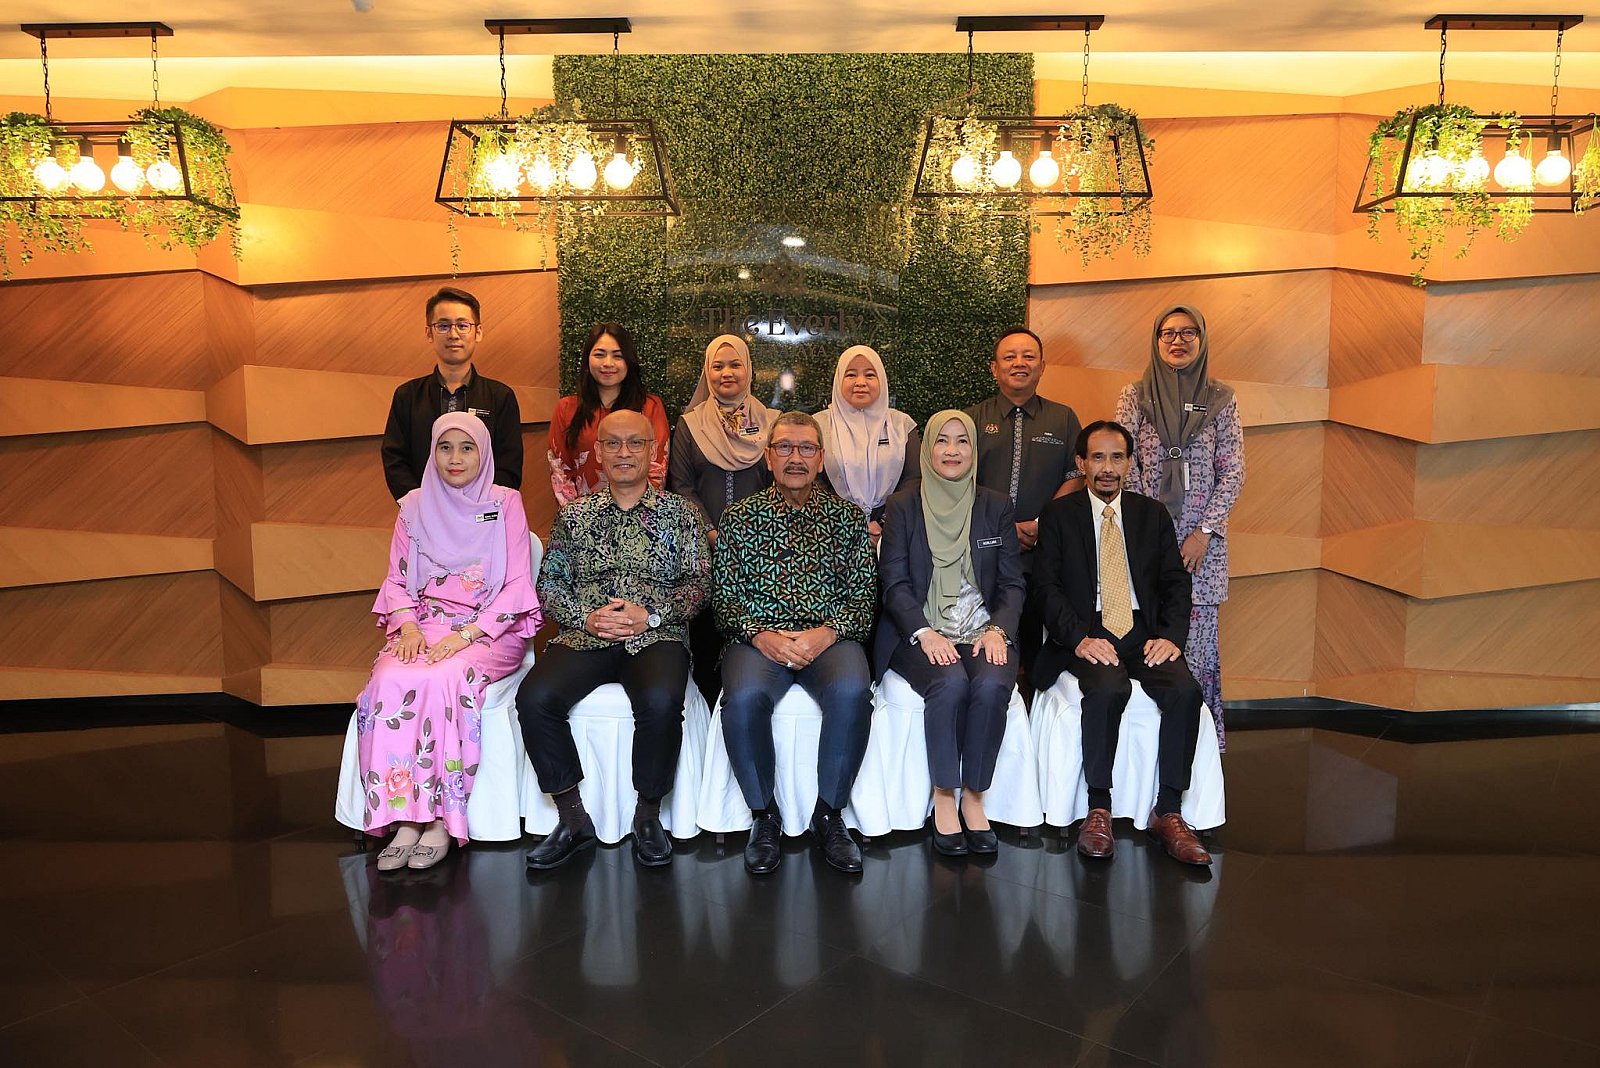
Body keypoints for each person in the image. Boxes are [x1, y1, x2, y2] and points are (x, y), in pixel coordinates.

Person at [518, 411, 710, 871]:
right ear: (599, 453)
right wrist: (586, 618)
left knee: (661, 700)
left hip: (657, 634)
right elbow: (549, 585)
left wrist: (652, 615)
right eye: (613, 444)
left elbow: (701, 585)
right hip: (588, 635)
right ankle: (572, 818)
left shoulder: (682, 514)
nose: (624, 453)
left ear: (653, 451)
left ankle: (648, 815)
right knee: (534, 698)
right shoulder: (575, 516)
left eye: (635, 443)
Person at [356, 412, 542, 871]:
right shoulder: (413, 506)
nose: (455, 458)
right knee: (388, 678)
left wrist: (465, 635)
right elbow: (397, 577)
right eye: (445, 447)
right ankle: (404, 819)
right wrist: (409, 628)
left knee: (444, 678)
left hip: (488, 629)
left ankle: (441, 819)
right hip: (424, 624)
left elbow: (517, 584)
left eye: (466, 447)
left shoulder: (506, 502)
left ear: (484, 453)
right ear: (432, 453)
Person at [1032, 421, 1211, 867]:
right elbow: (1045, 588)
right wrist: (1079, 639)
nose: (1108, 467)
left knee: (1185, 690)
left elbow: (1175, 582)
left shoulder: (1152, 514)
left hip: (1142, 630)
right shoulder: (1059, 515)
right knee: (1109, 688)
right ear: (1081, 463)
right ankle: (1099, 809)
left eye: (1117, 457)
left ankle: (1168, 811)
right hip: (1087, 628)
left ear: (1130, 463)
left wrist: (1170, 637)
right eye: (1098, 457)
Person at [713, 411, 876, 876]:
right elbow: (723, 598)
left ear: (821, 459)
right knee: (743, 698)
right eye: (784, 447)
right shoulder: (740, 518)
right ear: (768, 457)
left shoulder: (847, 518)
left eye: (806, 448)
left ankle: (829, 815)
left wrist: (827, 633)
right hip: (758, 640)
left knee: (851, 691)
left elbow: (864, 596)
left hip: (829, 638)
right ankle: (764, 816)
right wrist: (760, 636)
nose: (796, 457)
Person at [876, 410, 1024, 858]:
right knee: (950, 682)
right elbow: (894, 582)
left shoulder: (995, 506)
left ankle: (974, 796)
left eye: (962, 441)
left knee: (993, 685)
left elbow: (1013, 583)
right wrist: (924, 632)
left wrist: (998, 629)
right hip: (919, 632)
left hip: (981, 630)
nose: (953, 451)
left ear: (974, 450)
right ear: (927, 449)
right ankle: (944, 793)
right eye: (942, 440)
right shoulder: (903, 505)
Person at [1115, 306, 1245, 752]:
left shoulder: (1221, 398)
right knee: (1147, 642)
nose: (1178, 340)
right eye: (1168, 333)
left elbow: (1233, 471)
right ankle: (1146, 754)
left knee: (1197, 651)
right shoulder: (1135, 396)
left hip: (1201, 551)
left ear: (1202, 339)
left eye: (1188, 332)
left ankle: (1196, 754)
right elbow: (1122, 462)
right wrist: (1150, 533)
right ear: (1156, 340)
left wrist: (1202, 532)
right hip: (1143, 544)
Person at [965, 327, 1083, 698]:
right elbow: (959, 481)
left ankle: (1033, 712)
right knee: (986, 642)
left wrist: (1042, 522)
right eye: (1010, 356)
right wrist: (1001, 527)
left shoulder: (1063, 419)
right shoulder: (971, 419)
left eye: (1029, 356)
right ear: (993, 368)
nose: (1020, 363)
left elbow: (1076, 475)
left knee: (1036, 646)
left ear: (1042, 366)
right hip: (985, 552)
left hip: (1042, 553)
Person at [668, 334, 776, 701]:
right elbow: (681, 486)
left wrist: (751, 537)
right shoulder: (690, 425)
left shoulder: (771, 423)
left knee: (754, 636)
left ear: (749, 370)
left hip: (761, 551)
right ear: (707, 372)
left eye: (735, 365)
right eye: (717, 366)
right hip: (704, 549)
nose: (726, 373)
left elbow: (778, 484)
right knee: (707, 640)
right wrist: (711, 532)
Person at [382, 286, 524, 501]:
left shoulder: (500, 397)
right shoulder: (407, 396)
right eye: (443, 326)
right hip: (423, 511)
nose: (453, 334)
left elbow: (509, 464)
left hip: (483, 510)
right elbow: (395, 460)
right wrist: (421, 503)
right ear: (429, 333)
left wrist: (476, 505)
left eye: (462, 325)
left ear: (478, 332)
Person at [547, 322, 671, 506]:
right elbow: (560, 471)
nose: (608, 363)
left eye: (618, 356)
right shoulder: (566, 408)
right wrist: (578, 516)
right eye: (599, 354)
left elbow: (657, 469)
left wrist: (633, 515)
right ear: (587, 360)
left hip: (639, 515)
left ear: (629, 361)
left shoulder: (650, 407)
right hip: (582, 516)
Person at [813, 345, 920, 546]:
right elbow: (814, 479)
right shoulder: (818, 425)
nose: (860, 382)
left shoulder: (901, 425)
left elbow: (913, 479)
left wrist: (885, 523)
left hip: (892, 531)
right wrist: (848, 522)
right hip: (832, 530)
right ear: (838, 380)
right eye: (851, 375)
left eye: (870, 375)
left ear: (882, 380)